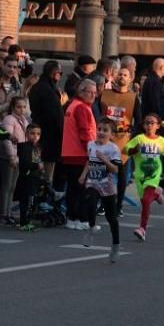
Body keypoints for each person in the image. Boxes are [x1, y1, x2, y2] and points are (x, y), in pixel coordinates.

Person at [79, 119, 122, 262]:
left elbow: (115, 169)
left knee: (112, 218)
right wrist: (83, 175)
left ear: (111, 134)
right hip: (93, 182)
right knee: (90, 202)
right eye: (99, 129)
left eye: (105, 130)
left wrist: (105, 160)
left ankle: (115, 246)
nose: (101, 132)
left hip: (107, 185)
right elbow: (89, 161)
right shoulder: (90, 144)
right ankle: (91, 227)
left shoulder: (113, 149)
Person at [98, 66, 141, 212]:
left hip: (124, 138)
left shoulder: (133, 98)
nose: (122, 77)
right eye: (120, 74)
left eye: (125, 75)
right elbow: (97, 113)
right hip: (105, 137)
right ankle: (103, 204)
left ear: (130, 79)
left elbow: (139, 121)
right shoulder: (105, 94)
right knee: (103, 172)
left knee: (122, 174)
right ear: (116, 77)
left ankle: (118, 206)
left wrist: (134, 138)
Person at [124, 113, 164, 242]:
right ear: (144, 125)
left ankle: (142, 229)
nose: (149, 125)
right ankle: (156, 195)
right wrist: (134, 150)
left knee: (145, 201)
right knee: (144, 200)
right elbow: (125, 150)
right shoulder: (139, 139)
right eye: (147, 123)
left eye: (152, 123)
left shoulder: (161, 140)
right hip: (140, 175)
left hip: (154, 175)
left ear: (158, 126)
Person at [61, 79, 98, 230]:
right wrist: (92, 150)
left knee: (73, 188)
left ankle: (73, 218)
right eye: (90, 92)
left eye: (95, 93)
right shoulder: (82, 107)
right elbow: (85, 132)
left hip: (70, 153)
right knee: (81, 189)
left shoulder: (72, 105)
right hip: (80, 154)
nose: (93, 96)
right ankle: (79, 218)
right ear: (81, 91)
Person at [28, 60, 64, 186]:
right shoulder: (49, 90)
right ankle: (43, 199)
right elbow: (55, 116)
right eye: (60, 73)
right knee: (47, 173)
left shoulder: (37, 87)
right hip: (49, 138)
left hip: (38, 135)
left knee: (36, 167)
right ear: (54, 73)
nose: (60, 76)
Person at [0, 96, 30, 225]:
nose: (21, 109)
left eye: (23, 107)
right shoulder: (9, 119)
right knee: (6, 185)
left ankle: (9, 212)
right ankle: (3, 213)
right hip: (8, 157)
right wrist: (11, 155)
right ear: (12, 107)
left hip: (19, 156)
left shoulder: (23, 120)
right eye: (18, 107)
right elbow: (7, 139)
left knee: (13, 186)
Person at [16, 124, 43, 232]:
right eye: (32, 133)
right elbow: (24, 163)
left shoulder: (38, 147)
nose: (35, 136)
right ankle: (23, 222)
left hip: (34, 177)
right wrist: (37, 166)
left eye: (38, 134)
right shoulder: (24, 147)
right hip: (26, 177)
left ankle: (28, 220)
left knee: (30, 201)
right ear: (27, 134)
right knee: (24, 201)